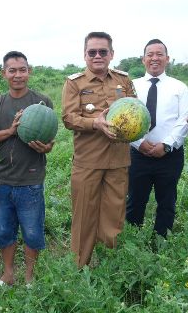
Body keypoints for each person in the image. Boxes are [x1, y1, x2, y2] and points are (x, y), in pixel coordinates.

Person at [0, 51, 54, 300]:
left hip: (31, 181)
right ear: (4, 74)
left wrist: (46, 147)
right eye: (12, 70)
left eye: (22, 69)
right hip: (4, 180)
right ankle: (8, 275)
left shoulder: (42, 102)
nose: (18, 75)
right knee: (2, 232)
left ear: (29, 71)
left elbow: (50, 141)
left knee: (32, 232)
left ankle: (30, 278)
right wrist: (11, 130)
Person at [61, 31, 136, 268]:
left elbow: (135, 111)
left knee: (113, 216)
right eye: (92, 52)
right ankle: (79, 267)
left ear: (111, 54)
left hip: (118, 160)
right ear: (85, 55)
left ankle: (106, 268)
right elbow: (69, 118)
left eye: (103, 51)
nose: (97, 56)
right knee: (84, 216)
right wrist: (95, 122)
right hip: (87, 162)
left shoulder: (123, 81)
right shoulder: (74, 83)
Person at [126, 39, 188, 238]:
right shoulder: (131, 87)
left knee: (167, 200)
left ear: (167, 59)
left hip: (170, 155)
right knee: (135, 200)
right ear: (143, 59)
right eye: (150, 54)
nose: (154, 58)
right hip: (138, 154)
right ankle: (133, 239)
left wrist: (166, 144)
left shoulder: (179, 87)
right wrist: (139, 143)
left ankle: (161, 240)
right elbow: (124, 119)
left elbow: (184, 120)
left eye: (159, 54)